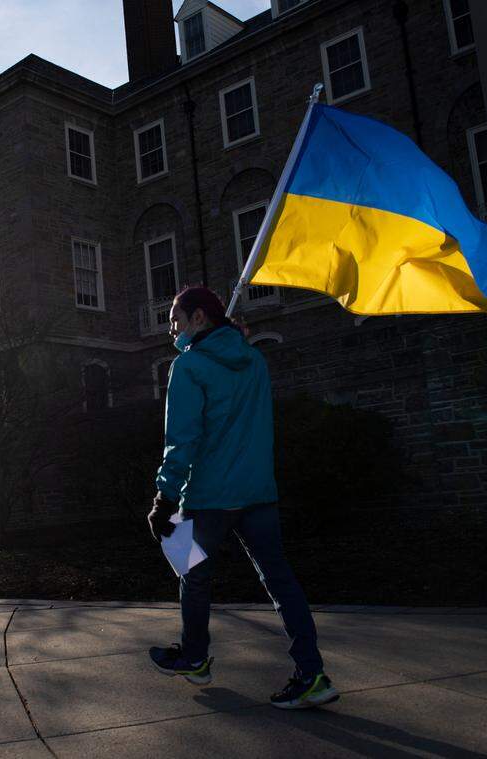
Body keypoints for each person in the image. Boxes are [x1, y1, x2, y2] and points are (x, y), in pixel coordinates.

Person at [146, 285, 338, 710]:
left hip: (209, 495)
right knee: (280, 581)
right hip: (257, 493)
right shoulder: (254, 359)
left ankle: (194, 657)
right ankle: (312, 673)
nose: (172, 328)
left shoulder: (188, 366)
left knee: (189, 570)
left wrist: (163, 496)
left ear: (199, 319)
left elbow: (181, 439)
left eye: (176, 319)